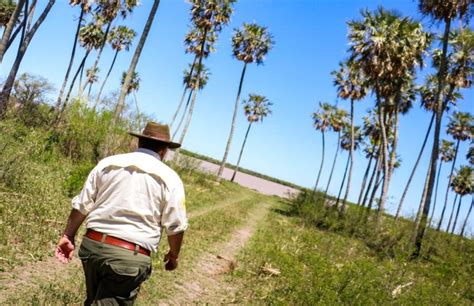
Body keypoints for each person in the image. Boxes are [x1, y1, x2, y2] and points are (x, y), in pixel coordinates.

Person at [55, 122, 188, 305]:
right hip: (129, 259)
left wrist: (68, 235)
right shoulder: (170, 178)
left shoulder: (108, 163)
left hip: (92, 247)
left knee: (94, 300)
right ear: (164, 150)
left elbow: (82, 204)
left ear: (139, 143)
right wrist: (173, 255)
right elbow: (176, 226)